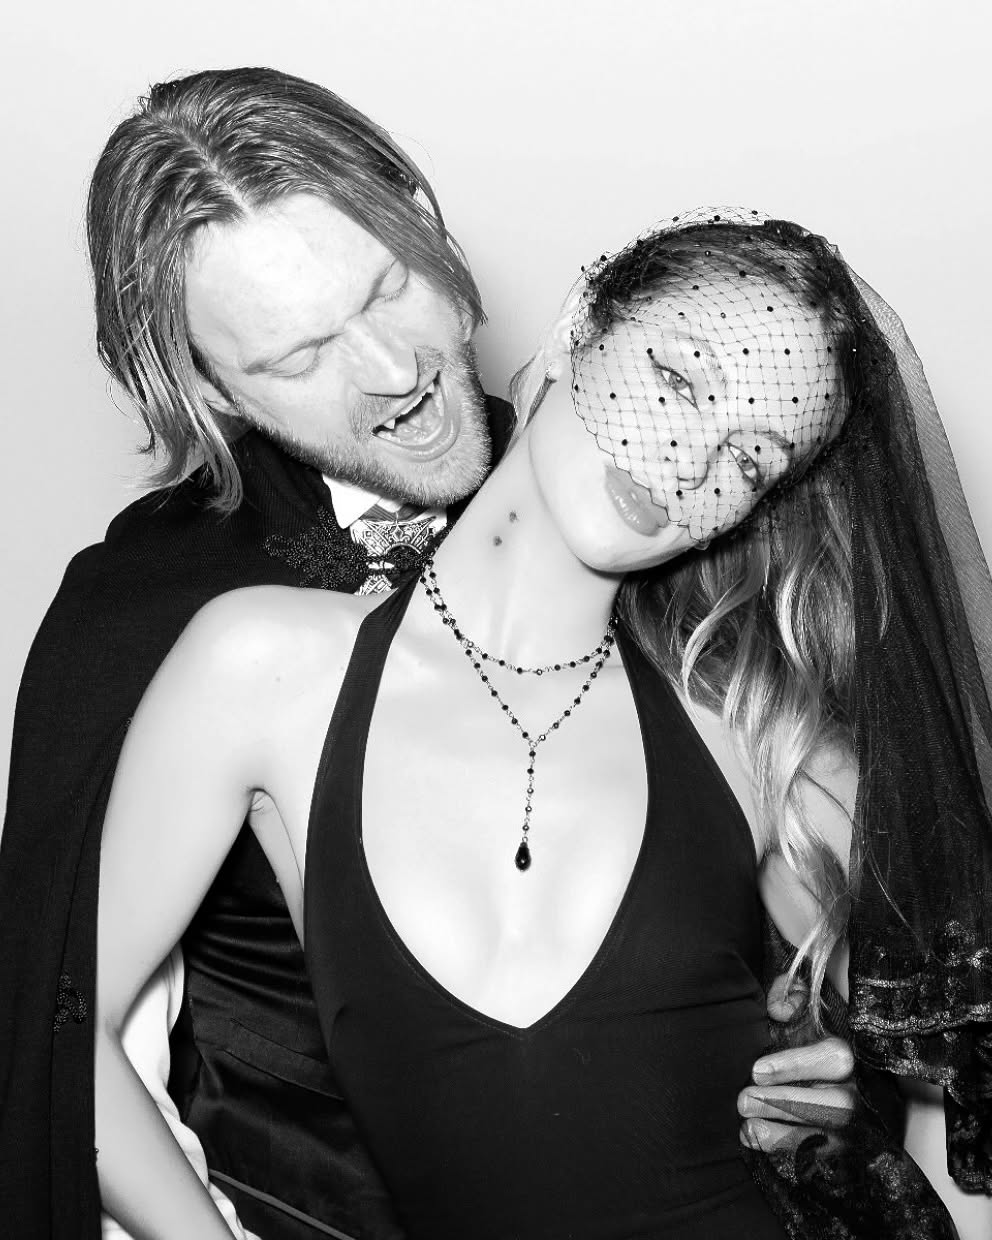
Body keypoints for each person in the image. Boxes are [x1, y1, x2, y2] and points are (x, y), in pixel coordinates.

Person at [0, 72, 852, 1240]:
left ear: (422, 219)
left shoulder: (656, 499)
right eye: (299, 355)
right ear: (207, 388)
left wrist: (805, 1071)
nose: (392, 372)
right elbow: (59, 1042)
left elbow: (769, 930)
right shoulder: (150, 616)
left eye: (386, 287)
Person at [91, 210, 992, 1238]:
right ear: (577, 333)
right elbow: (65, 1030)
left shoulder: (751, 736)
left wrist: (860, 1109)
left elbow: (958, 1093)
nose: (687, 457)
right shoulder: (267, 667)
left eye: (750, 458)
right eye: (679, 380)